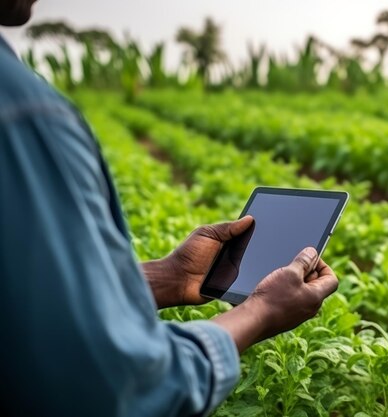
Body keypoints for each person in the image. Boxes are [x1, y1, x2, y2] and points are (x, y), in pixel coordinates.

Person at [0, 1, 339, 416]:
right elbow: (114, 384)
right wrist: (260, 312)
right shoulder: (23, 112)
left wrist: (169, 277)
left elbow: (27, 306)